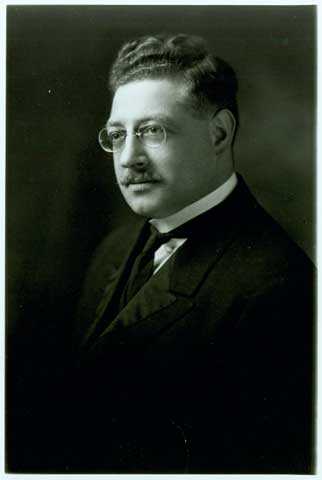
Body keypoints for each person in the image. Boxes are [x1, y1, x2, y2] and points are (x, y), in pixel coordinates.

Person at [69, 33, 315, 473]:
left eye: (152, 131)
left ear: (219, 133)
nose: (129, 158)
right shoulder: (112, 250)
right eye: (117, 135)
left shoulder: (281, 287)